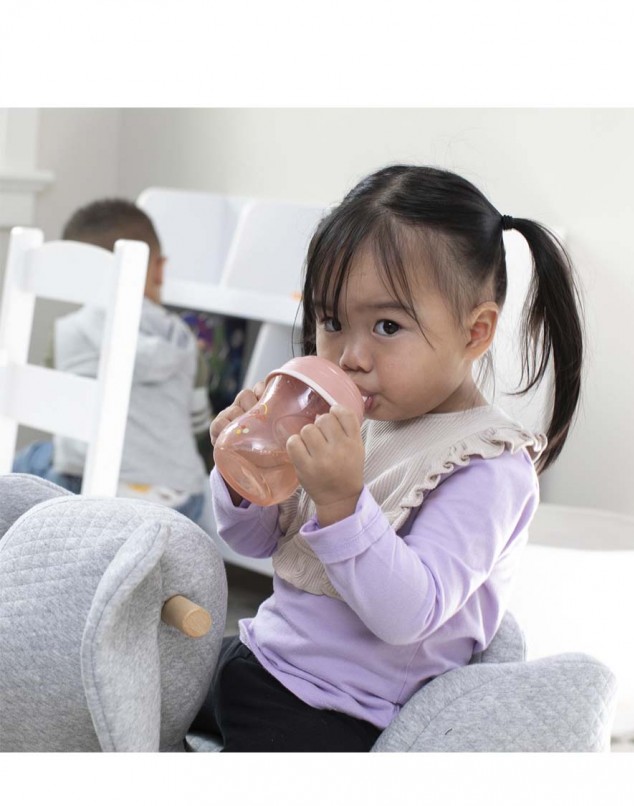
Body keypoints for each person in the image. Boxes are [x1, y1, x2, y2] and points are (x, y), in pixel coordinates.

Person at [191, 164, 584, 751]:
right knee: (142, 672)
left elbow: (409, 614)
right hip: (261, 656)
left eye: (386, 325)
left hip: (339, 711)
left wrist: (342, 502)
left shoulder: (488, 467)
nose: (349, 356)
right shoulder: (355, 418)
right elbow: (252, 542)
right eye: (331, 321)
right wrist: (246, 475)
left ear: (475, 333)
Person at [13, 199, 208, 523]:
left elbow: (57, 410)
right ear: (159, 269)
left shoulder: (67, 333)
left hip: (89, 490)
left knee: (30, 461)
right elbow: (198, 426)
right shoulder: (185, 340)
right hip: (180, 502)